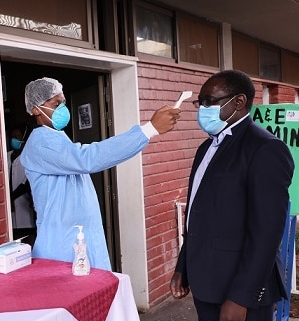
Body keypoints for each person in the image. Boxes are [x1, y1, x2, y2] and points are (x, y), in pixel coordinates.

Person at [169, 70, 294, 321]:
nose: (202, 109)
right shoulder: (205, 149)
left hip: (241, 294)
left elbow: (266, 232)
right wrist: (183, 266)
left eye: (210, 102)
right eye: (201, 102)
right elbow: (199, 215)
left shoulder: (265, 149)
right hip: (207, 286)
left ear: (239, 102)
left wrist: (241, 297)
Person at [20, 77, 180, 270]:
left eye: (63, 103)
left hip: (80, 240)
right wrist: (148, 130)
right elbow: (87, 159)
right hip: (61, 246)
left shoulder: (59, 140)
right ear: (36, 109)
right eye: (56, 104)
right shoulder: (40, 142)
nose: (63, 108)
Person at [7, 125, 35, 240]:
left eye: (17, 137)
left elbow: (26, 183)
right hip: (11, 213)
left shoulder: (29, 157)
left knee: (28, 239)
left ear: (23, 139)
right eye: (12, 137)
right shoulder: (6, 155)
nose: (13, 139)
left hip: (24, 210)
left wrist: (10, 198)